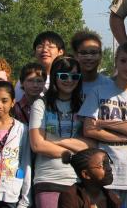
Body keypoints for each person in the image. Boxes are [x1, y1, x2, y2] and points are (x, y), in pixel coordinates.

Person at [80, 41, 127, 208]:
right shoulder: (98, 91)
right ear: (116, 61)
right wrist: (123, 136)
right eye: (123, 61)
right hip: (104, 174)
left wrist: (104, 122)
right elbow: (89, 129)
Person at [29, 55, 95, 208]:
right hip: (48, 180)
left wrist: (55, 141)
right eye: (64, 75)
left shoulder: (85, 105)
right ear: (54, 77)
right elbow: (38, 145)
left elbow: (92, 144)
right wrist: (75, 153)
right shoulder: (41, 104)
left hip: (79, 182)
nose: (69, 80)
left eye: (74, 76)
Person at [15, 31, 65, 101]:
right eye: (40, 46)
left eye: (50, 46)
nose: (44, 50)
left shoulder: (67, 78)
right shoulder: (24, 81)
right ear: (35, 52)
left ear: (60, 52)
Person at [70, 31, 113, 100]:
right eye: (83, 53)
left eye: (93, 53)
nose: (89, 57)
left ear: (101, 55)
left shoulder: (110, 86)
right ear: (75, 55)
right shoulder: (66, 84)